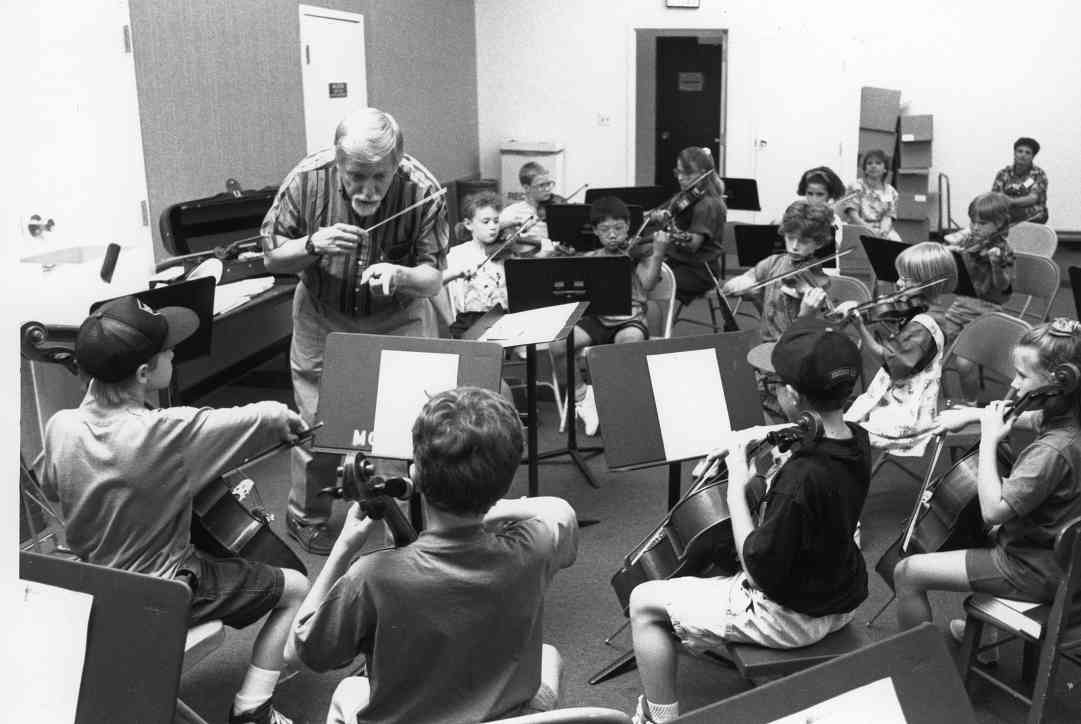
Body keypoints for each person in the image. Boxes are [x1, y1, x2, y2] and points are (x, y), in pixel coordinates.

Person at [40, 296, 311, 724]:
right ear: (146, 373)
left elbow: (53, 486)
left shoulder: (60, 426)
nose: (172, 353)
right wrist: (282, 417)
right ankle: (252, 708)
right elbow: (263, 416)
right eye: (167, 351)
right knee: (296, 588)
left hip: (97, 594)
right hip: (165, 592)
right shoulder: (168, 432)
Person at [627, 317, 870, 723]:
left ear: (791, 395)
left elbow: (758, 569)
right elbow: (808, 432)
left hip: (792, 618)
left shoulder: (800, 479)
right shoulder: (857, 439)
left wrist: (736, 488)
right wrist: (760, 434)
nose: (773, 390)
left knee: (643, 602)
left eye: (775, 384)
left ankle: (659, 719)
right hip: (842, 594)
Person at [288, 387, 579, 724]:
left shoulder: (372, 576)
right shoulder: (535, 545)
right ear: (507, 479)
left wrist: (342, 550)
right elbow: (559, 510)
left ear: (415, 475)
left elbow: (299, 653)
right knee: (549, 657)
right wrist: (491, 506)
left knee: (347, 692)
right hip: (505, 716)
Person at [261, 107, 448, 554]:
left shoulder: (424, 189)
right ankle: (307, 517)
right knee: (317, 423)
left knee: (402, 422)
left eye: (379, 178)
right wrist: (311, 244)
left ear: (398, 164)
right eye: (355, 177)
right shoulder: (306, 180)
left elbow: (434, 277)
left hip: (398, 313)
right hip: (322, 311)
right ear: (338, 161)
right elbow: (270, 256)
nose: (367, 190)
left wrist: (401, 275)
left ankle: (397, 522)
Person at [893, 319, 1081, 637]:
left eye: (1022, 376)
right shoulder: (1069, 420)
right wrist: (974, 414)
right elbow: (1033, 418)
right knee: (974, 529)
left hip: (1032, 568)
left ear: (1058, 382)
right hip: (1063, 556)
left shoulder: (1051, 452)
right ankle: (978, 632)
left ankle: (922, 662)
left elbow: (992, 510)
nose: (1015, 385)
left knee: (908, 572)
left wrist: (989, 440)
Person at [549, 195, 670, 435]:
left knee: (625, 346)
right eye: (605, 230)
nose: (613, 235)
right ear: (595, 231)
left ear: (628, 227)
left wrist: (658, 252)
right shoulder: (592, 258)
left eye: (619, 228)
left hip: (630, 319)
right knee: (559, 346)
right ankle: (583, 399)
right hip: (597, 319)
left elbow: (646, 284)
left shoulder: (640, 256)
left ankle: (617, 407)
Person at [840, 242, 959, 455]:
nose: (898, 282)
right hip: (897, 395)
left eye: (907, 279)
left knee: (843, 433)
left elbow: (889, 362)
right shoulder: (928, 312)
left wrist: (859, 326)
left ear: (929, 283)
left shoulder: (923, 327)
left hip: (907, 413)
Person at [723, 201, 835, 421]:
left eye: (803, 242)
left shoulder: (817, 279)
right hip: (766, 346)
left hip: (795, 354)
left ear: (819, 243)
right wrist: (740, 283)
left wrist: (808, 298)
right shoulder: (774, 262)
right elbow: (748, 278)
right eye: (790, 238)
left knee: (776, 406)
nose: (794, 246)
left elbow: (825, 324)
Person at [943, 192, 1016, 404]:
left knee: (964, 364)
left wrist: (995, 264)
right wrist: (953, 253)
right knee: (929, 344)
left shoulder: (1003, 251)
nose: (975, 227)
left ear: (1000, 223)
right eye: (973, 222)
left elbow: (1003, 287)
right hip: (960, 307)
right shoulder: (970, 240)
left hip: (987, 313)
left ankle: (970, 403)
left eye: (982, 223)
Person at [651, 147, 727, 306]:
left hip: (699, 271)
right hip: (679, 262)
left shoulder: (708, 204)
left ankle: (655, 327)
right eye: (678, 172)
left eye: (687, 173)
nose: (680, 178)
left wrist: (668, 226)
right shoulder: (686, 196)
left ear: (704, 173)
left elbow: (692, 245)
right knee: (642, 274)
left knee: (649, 283)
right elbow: (665, 213)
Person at [840, 150, 901, 240]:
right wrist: (870, 230)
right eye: (869, 163)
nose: (873, 166)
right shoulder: (855, 187)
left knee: (896, 244)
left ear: (885, 169)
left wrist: (883, 232)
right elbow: (853, 215)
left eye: (878, 163)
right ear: (865, 168)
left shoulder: (891, 192)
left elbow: (888, 216)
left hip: (882, 230)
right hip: (858, 228)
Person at [501, 161, 566, 243]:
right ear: (526, 188)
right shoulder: (512, 212)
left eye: (548, 184)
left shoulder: (559, 207)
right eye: (541, 185)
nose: (548, 189)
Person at [991, 137, 1048, 224]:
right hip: (1007, 214)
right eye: (1020, 151)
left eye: (1027, 153)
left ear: (1033, 156)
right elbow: (996, 197)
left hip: (1032, 216)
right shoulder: (1003, 173)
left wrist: (1010, 201)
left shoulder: (1038, 174)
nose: (1023, 155)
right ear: (1014, 153)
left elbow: (1033, 198)